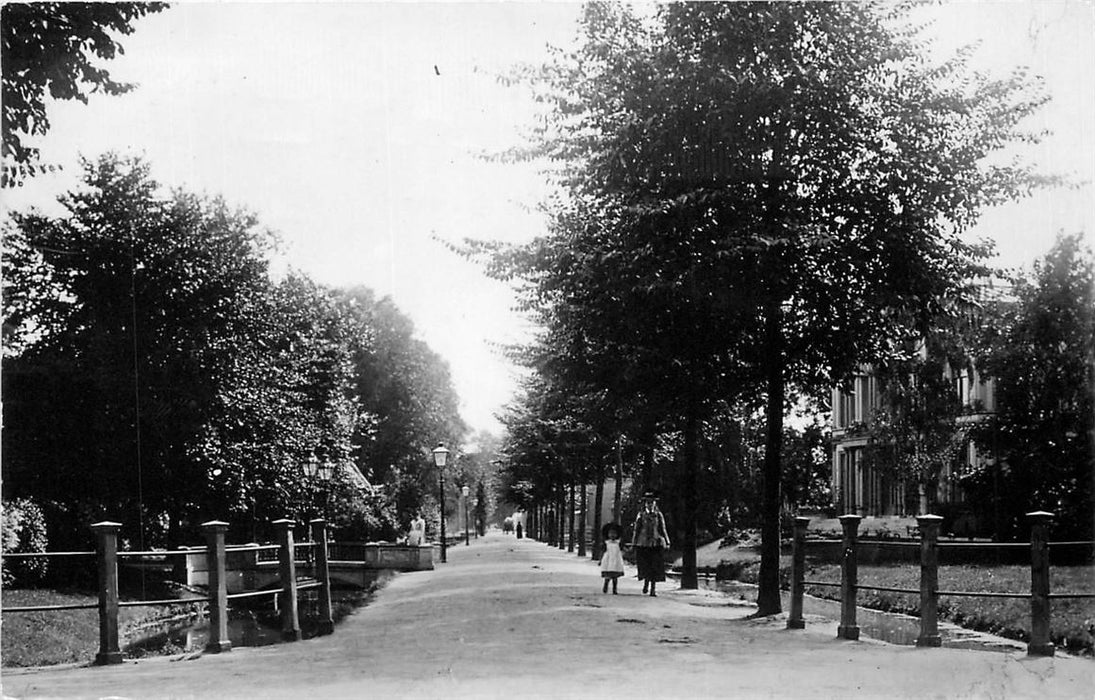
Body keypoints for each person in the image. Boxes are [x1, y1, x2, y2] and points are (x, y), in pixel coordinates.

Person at [630, 491, 670, 597]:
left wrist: (667, 541)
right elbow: (636, 530)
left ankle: (653, 588)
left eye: (652, 502)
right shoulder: (641, 515)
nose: (650, 504)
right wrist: (634, 543)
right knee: (645, 565)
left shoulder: (658, 515)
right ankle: (646, 583)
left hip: (656, 543)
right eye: (648, 502)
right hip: (643, 544)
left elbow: (663, 529)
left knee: (655, 566)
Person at [599, 523, 625, 594]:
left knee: (615, 577)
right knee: (608, 576)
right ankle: (606, 585)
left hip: (616, 561)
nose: (612, 535)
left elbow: (623, 550)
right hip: (608, 560)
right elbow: (603, 551)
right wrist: (600, 560)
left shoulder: (618, 543)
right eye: (610, 533)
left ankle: (615, 589)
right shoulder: (606, 543)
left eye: (614, 533)